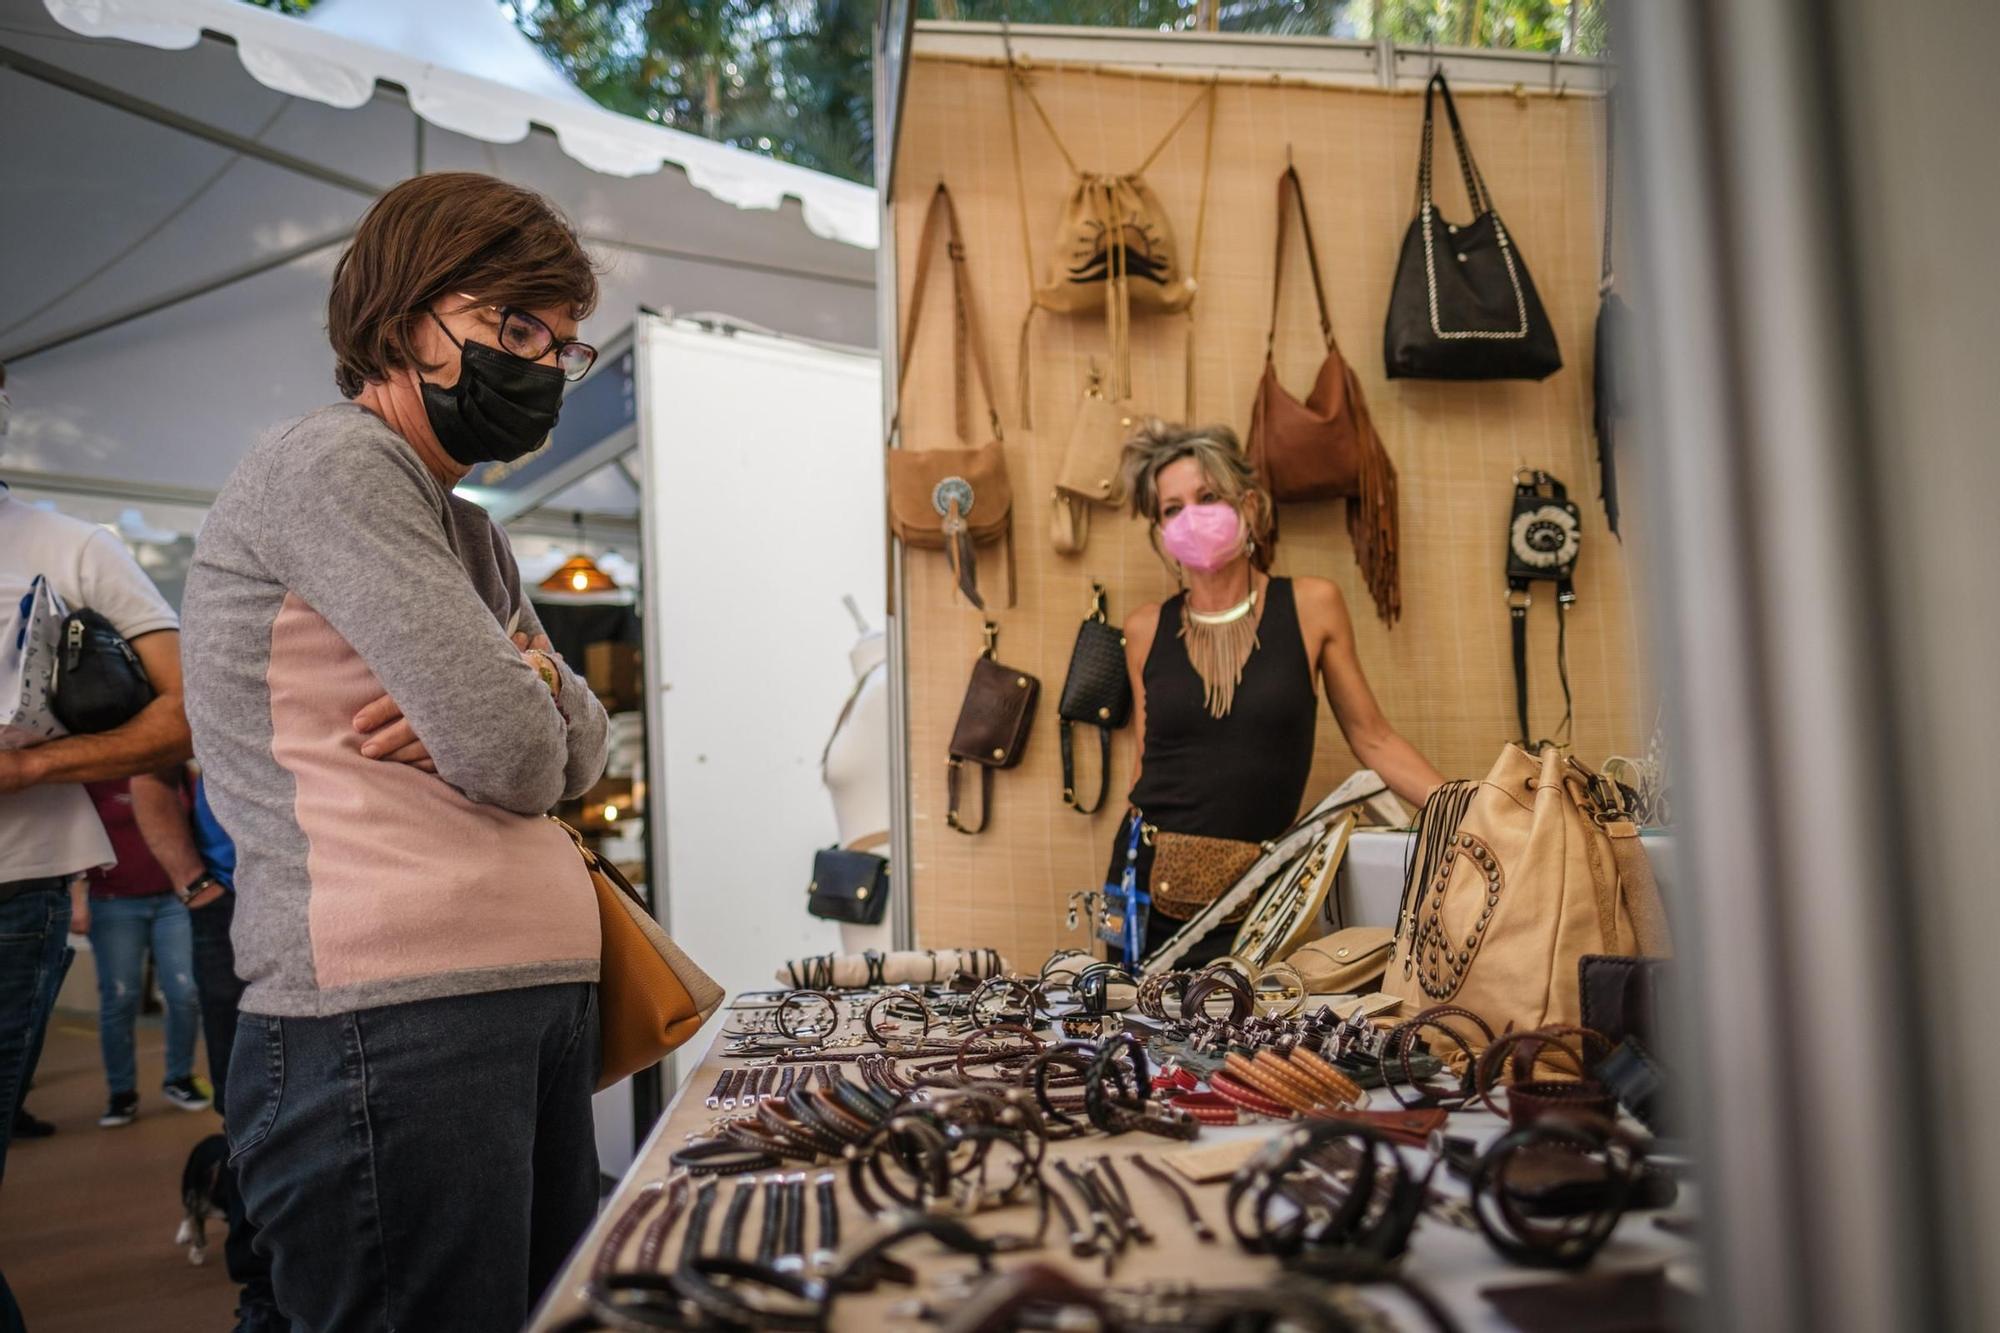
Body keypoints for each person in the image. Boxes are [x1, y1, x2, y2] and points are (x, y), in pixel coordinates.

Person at [179, 172, 611, 1333]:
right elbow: (522, 758)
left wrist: (515, 694)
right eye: (511, 326)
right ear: (406, 313)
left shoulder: (465, 525)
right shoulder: (336, 464)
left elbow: (582, 745)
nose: (538, 364)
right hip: (392, 1022)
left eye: (559, 346)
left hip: (487, 1010)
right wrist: (514, 700)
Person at [1108, 420, 1446, 964]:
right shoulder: (1146, 628)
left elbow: (1374, 739)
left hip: (1261, 890)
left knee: (1247, 1039)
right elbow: (1143, 767)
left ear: (1249, 506)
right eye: (1172, 509)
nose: (1191, 517)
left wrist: (1467, 813)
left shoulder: (1312, 605)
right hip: (1147, 884)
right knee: (1147, 1043)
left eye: (1207, 496)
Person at [0, 470, 191, 1332]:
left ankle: (141, 1091)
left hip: (17, 882)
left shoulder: (69, 545)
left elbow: (190, 711)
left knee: (145, 997)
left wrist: (32, 766)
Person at [129, 766, 282, 1333]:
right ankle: (262, 1289)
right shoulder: (195, 679)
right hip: (231, 904)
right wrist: (194, 884)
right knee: (248, 1110)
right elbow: (148, 776)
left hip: (348, 890)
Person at [78, 778, 208, 1127]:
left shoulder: (173, 769)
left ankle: (179, 1078)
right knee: (120, 998)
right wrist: (77, 897)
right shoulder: (95, 778)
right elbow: (75, 834)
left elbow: (199, 826)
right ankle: (122, 1094)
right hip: (113, 902)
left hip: (173, 899)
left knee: (186, 992)